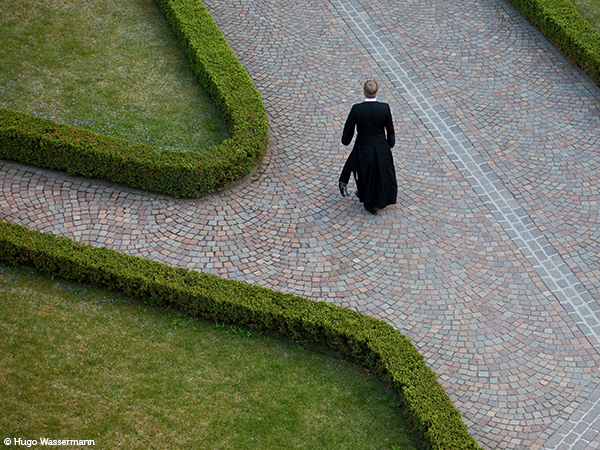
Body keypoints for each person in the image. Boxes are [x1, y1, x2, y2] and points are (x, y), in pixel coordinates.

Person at [338, 80, 397, 214]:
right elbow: (390, 130)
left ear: (364, 92)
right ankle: (382, 199)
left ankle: (369, 200)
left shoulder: (357, 109)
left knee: (366, 174)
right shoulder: (384, 108)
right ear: (376, 92)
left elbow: (348, 131)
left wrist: (345, 141)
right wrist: (390, 143)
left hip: (364, 147)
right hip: (381, 146)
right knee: (382, 173)